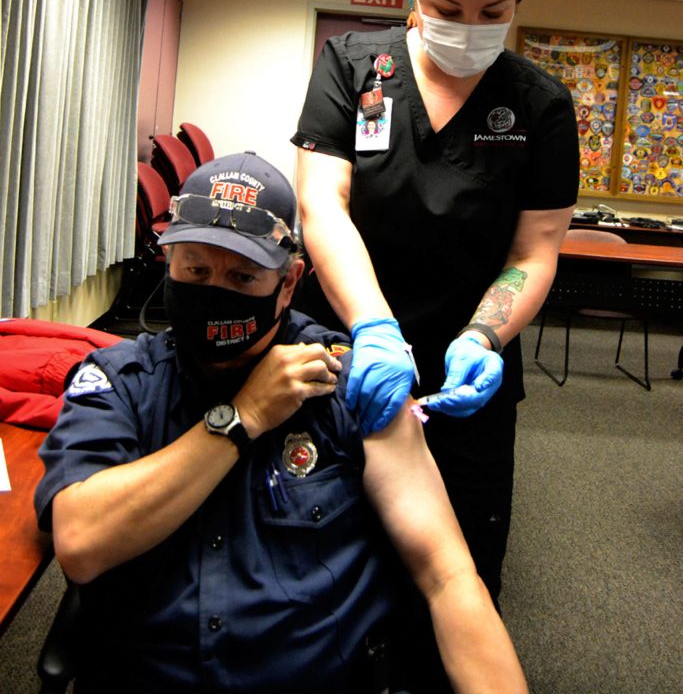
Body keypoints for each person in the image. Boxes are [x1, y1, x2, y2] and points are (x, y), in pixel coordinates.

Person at [34, 151, 528, 694]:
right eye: (195, 270)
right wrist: (241, 419)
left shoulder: (349, 383)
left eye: (243, 276)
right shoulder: (119, 382)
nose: (214, 290)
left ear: (289, 283)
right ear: (168, 263)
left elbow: (450, 578)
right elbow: (80, 543)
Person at [292, 0, 580, 603]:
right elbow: (321, 206)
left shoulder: (539, 104)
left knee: (457, 571)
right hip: (344, 345)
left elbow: (534, 250)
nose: (471, 28)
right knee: (310, 553)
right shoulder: (354, 67)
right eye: (449, 10)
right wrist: (374, 326)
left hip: (465, 369)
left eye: (494, 13)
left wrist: (483, 338)